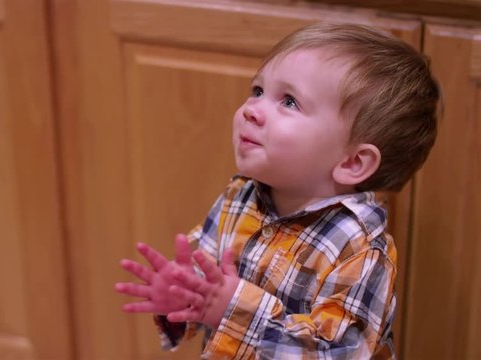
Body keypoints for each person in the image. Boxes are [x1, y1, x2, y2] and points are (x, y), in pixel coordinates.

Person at [114, 22, 440, 359]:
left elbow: (336, 353)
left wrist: (232, 309)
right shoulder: (240, 198)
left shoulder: (359, 251)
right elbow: (207, 286)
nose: (251, 110)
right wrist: (183, 296)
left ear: (353, 162)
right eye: (257, 90)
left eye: (289, 101)